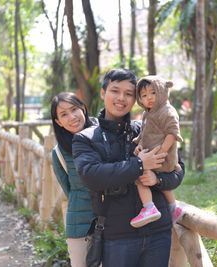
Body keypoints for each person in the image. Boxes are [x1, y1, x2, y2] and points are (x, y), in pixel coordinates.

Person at [72, 68, 185, 267]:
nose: (121, 98)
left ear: (136, 99)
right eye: (115, 91)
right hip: (116, 236)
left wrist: (158, 180)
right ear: (102, 93)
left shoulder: (146, 128)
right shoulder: (86, 138)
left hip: (158, 233)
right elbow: (92, 176)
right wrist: (140, 165)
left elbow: (177, 170)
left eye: (129, 94)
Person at [130, 75, 183, 228]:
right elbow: (144, 132)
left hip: (161, 156)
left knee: (139, 175)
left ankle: (149, 207)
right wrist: (138, 143)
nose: (149, 98)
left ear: (162, 91)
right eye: (144, 95)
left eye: (153, 92)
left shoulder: (167, 111)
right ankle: (173, 208)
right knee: (154, 177)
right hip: (152, 153)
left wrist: (162, 151)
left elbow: (173, 133)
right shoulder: (148, 113)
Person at [50, 92, 95, 267]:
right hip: (79, 225)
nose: (72, 117)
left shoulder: (103, 135)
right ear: (58, 122)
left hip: (113, 222)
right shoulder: (59, 153)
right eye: (64, 114)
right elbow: (69, 189)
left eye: (74, 109)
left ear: (83, 108)